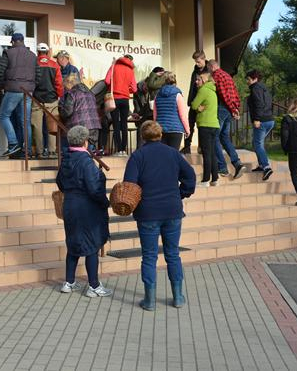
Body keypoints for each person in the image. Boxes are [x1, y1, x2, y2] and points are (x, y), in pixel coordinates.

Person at [123, 121, 196, 310]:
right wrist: (181, 193)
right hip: (172, 210)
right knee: (173, 254)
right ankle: (178, 297)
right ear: (161, 135)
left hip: (147, 212)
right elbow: (190, 176)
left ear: (142, 136)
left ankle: (150, 301)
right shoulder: (173, 153)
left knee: (149, 256)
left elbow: (129, 185)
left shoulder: (138, 156)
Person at [56, 125, 112, 298]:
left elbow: (59, 182)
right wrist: (105, 202)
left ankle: (69, 282)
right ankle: (94, 286)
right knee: (91, 245)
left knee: (73, 243)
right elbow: (94, 188)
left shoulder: (66, 158)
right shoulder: (86, 161)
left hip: (70, 205)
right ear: (85, 142)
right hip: (86, 207)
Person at [0, 33, 36, 157]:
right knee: (26, 121)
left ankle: (13, 144)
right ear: (23, 41)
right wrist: (32, 86)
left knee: (3, 116)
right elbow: (38, 74)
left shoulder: (8, 53)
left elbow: (0, 72)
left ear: (13, 42)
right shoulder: (32, 55)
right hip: (28, 91)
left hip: (13, 89)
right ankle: (27, 150)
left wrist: (1, 86)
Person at [207, 59, 246, 179]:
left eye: (208, 69)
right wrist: (235, 108)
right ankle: (237, 163)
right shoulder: (227, 75)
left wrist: (231, 108)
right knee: (224, 137)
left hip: (223, 108)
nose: (209, 71)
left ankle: (222, 167)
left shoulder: (217, 76)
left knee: (214, 137)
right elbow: (235, 93)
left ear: (211, 67)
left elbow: (224, 95)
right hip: (229, 109)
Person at [32, 43, 63, 158]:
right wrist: (59, 95)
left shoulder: (33, 64)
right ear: (48, 52)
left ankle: (39, 152)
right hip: (52, 99)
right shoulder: (54, 65)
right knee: (52, 126)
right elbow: (59, 83)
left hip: (36, 99)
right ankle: (51, 151)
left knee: (37, 127)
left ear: (38, 52)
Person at [190, 71, 220, 186]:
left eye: (198, 79)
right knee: (212, 153)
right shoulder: (212, 90)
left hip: (205, 125)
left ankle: (205, 180)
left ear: (204, 80)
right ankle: (215, 178)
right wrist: (199, 108)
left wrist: (197, 108)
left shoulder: (203, 90)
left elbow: (193, 105)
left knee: (206, 153)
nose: (196, 82)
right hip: (214, 125)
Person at [105, 54, 137, 156]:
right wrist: (126, 90)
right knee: (124, 124)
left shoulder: (114, 66)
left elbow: (107, 81)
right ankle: (124, 150)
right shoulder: (130, 70)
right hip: (125, 100)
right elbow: (134, 89)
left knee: (116, 124)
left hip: (115, 99)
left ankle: (118, 150)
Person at [246, 69, 275, 180]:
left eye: (248, 79)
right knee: (258, 143)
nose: (247, 81)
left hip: (262, 120)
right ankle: (261, 165)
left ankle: (266, 167)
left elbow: (259, 104)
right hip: (269, 119)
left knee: (257, 144)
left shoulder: (255, 89)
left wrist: (257, 119)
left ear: (255, 79)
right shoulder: (264, 88)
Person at [59, 73, 100, 151]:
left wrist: (61, 108)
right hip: (94, 127)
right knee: (89, 152)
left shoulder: (72, 93)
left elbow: (67, 112)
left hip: (79, 128)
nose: (65, 89)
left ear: (70, 83)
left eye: (65, 86)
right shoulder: (90, 93)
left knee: (65, 143)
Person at [132, 67, 166, 150]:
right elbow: (138, 104)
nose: (147, 89)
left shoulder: (156, 88)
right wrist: (138, 114)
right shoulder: (139, 89)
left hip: (151, 114)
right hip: (146, 114)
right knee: (142, 128)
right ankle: (140, 150)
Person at [153, 72, 189, 150]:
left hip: (161, 128)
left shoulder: (157, 95)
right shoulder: (178, 95)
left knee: (163, 154)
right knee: (173, 153)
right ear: (175, 81)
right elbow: (183, 116)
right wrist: (187, 129)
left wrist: (155, 128)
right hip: (175, 129)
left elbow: (155, 116)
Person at [181, 50, 207, 154]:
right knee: (189, 125)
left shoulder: (208, 70)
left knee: (202, 126)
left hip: (203, 102)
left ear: (204, 59)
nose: (197, 64)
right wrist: (190, 101)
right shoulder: (195, 70)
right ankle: (187, 146)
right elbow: (192, 87)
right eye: (195, 62)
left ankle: (202, 147)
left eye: (198, 61)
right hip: (193, 101)